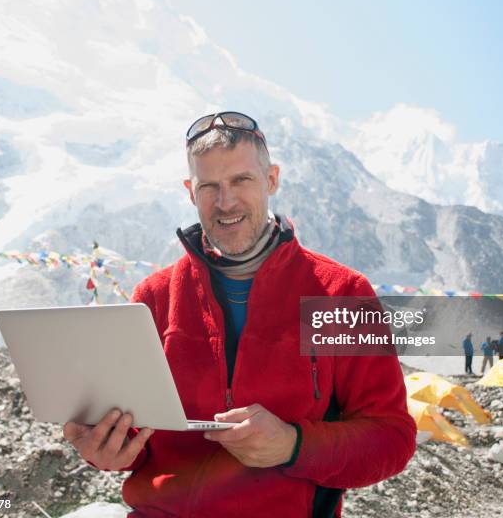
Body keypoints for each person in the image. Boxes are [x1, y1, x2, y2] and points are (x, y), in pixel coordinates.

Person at [63, 112, 416, 518]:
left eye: (241, 181)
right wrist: (105, 450)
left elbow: (392, 439)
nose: (225, 202)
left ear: (271, 180)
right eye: (208, 186)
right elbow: (140, 448)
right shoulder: (155, 297)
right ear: (189, 192)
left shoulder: (341, 294)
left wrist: (292, 444)